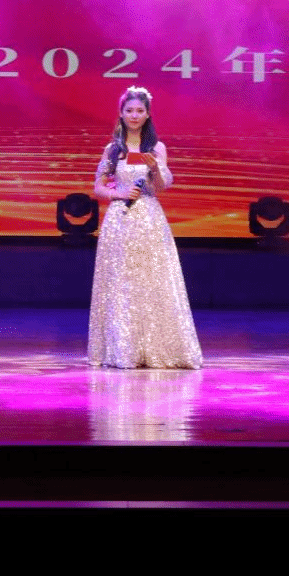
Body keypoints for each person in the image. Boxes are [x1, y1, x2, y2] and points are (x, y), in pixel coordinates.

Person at [87, 86, 203, 369]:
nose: (134, 115)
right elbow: (98, 187)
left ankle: (156, 347)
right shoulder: (113, 149)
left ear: (148, 114)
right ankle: (123, 349)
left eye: (140, 111)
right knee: (121, 283)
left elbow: (161, 187)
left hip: (149, 219)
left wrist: (154, 169)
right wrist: (118, 194)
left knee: (153, 281)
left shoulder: (156, 148)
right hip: (120, 219)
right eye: (129, 111)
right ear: (121, 113)